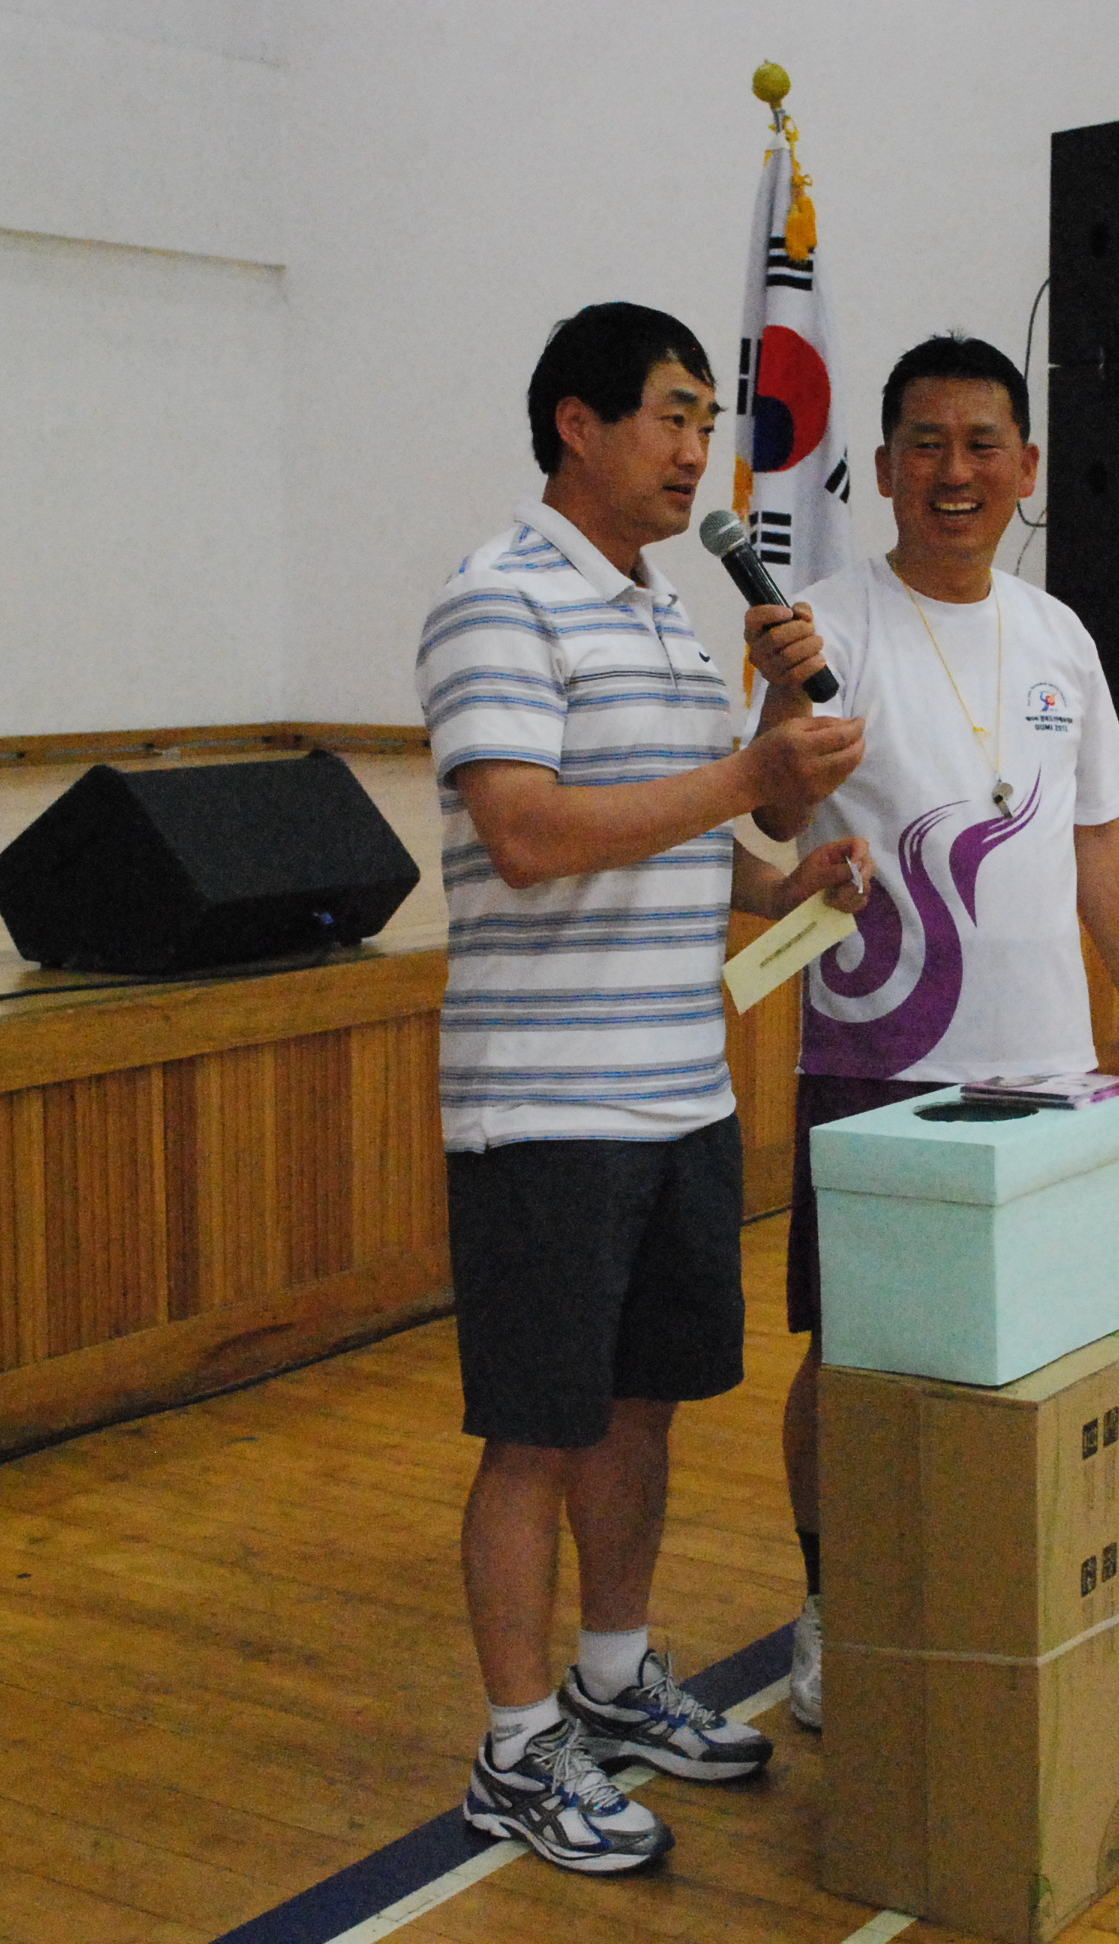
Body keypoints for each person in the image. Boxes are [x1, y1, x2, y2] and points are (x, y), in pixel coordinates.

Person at [416, 301, 870, 1875]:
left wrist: (786, 867)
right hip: (546, 1106)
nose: (696, 453)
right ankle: (515, 1749)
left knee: (638, 1407)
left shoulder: (672, 610)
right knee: (534, 1434)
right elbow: (529, 835)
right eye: (672, 416)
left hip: (679, 1090)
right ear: (578, 423)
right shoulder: (496, 598)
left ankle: (612, 1681)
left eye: (704, 423)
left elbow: (699, 836)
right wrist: (751, 774)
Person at [743, 331, 1119, 1729]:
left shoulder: (1059, 637)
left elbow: (1099, 832)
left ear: (1026, 467)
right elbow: (769, 815)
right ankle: (834, 1603)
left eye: (983, 444)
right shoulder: (823, 626)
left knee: (1041, 1342)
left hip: (1047, 1062)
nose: (954, 470)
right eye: (924, 444)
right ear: (881, 469)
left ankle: (1005, 1596)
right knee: (853, 1352)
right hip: (877, 1059)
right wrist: (777, 692)